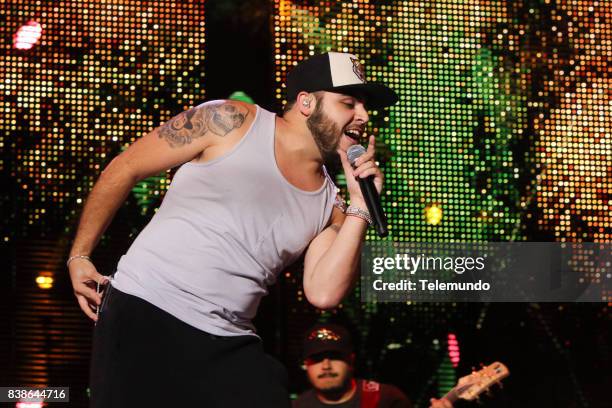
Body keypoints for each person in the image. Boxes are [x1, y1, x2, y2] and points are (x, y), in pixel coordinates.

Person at [67, 52, 398, 407]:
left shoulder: (331, 205)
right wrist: (80, 254)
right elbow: (125, 167)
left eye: (364, 107)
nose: (362, 116)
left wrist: (359, 206)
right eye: (348, 103)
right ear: (306, 102)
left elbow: (323, 293)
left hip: (226, 338)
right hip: (147, 308)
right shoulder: (229, 120)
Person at [294, 323, 453, 408]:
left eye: (335, 356)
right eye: (317, 359)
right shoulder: (296, 406)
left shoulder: (386, 398)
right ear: (306, 364)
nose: (326, 365)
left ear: (351, 360)